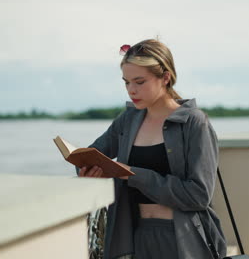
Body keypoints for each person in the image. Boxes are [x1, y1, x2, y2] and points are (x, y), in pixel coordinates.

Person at [77, 39, 226, 259]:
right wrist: (86, 169)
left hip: (183, 240)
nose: (131, 90)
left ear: (165, 78)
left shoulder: (194, 123)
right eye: (126, 82)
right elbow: (94, 155)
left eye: (139, 81)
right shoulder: (128, 119)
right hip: (135, 237)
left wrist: (133, 174)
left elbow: (198, 195)